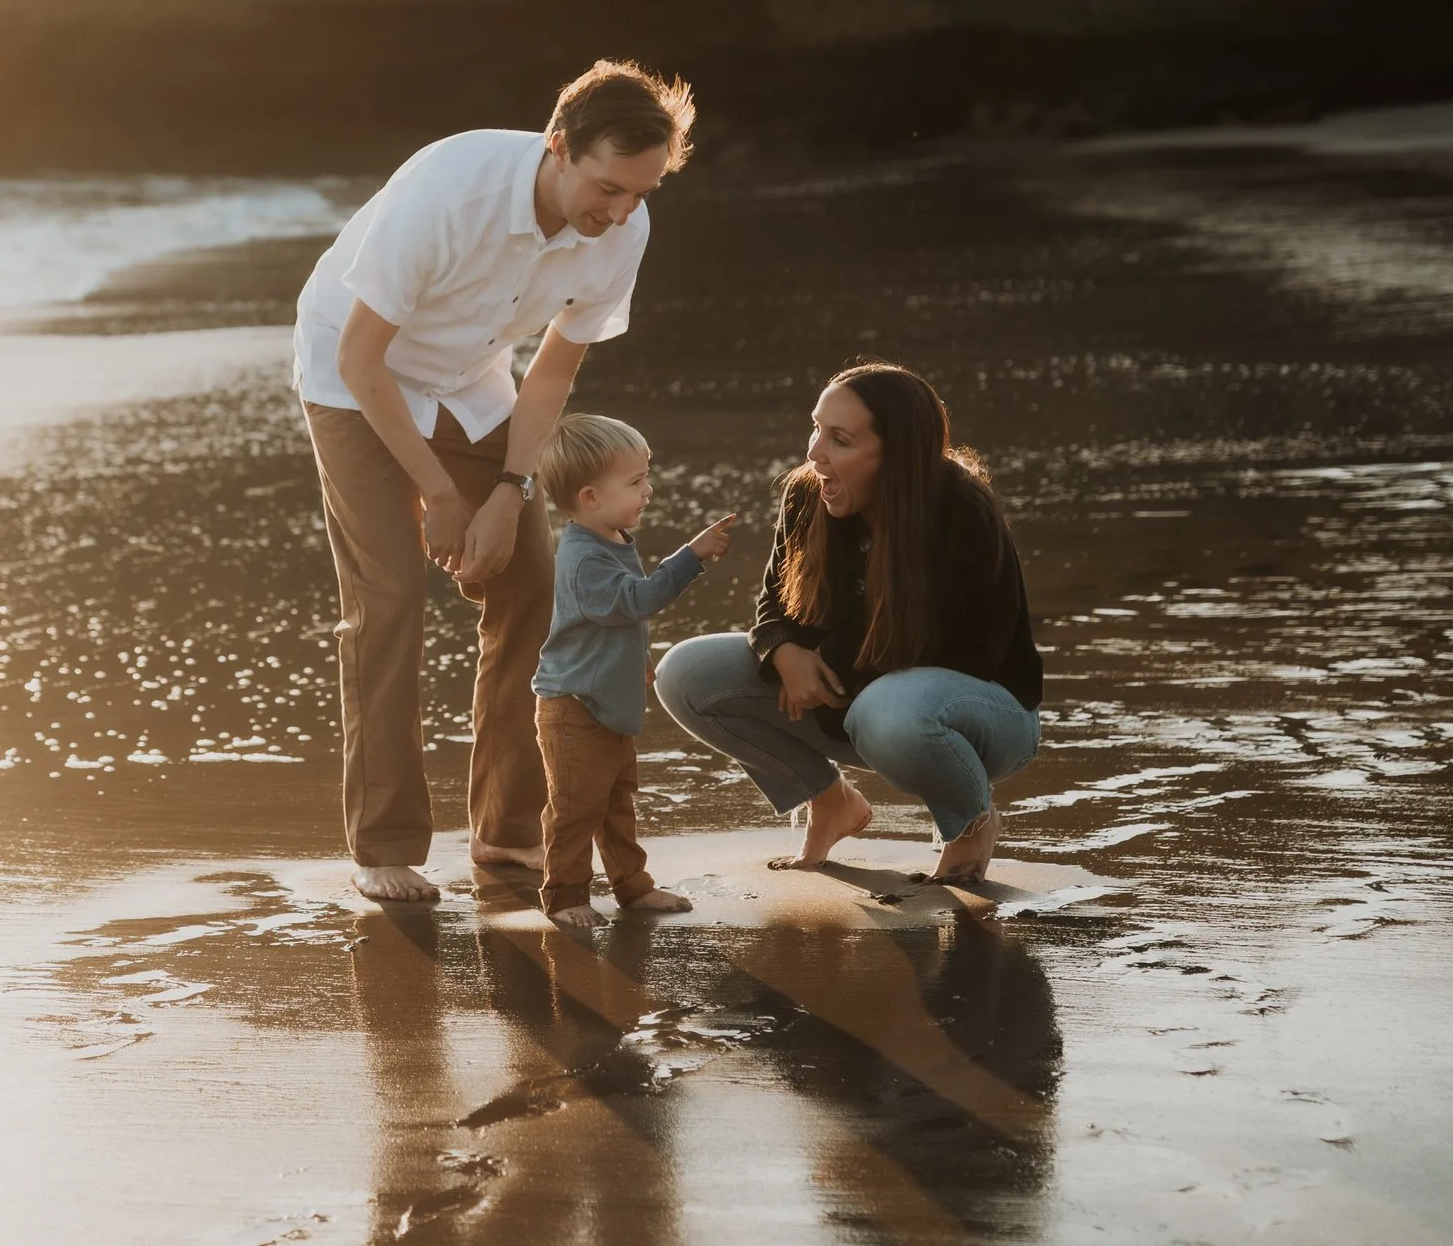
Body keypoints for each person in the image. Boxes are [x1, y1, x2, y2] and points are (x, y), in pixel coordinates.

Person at [295, 60, 696, 904]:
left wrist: (510, 489)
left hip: (476, 376)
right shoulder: (451, 187)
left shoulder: (625, 226)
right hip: (355, 370)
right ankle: (384, 843)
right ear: (559, 147)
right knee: (392, 593)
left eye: (642, 190)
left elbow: (551, 373)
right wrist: (438, 493)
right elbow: (361, 358)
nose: (620, 209)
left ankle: (509, 836)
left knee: (535, 590)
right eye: (609, 186)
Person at [654, 363, 1043, 885]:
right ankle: (828, 801)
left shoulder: (961, 512)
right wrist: (783, 652)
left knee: (889, 709)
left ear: (897, 453)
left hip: (981, 716)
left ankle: (970, 822)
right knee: (686, 672)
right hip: (856, 706)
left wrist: (828, 666)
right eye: (816, 428)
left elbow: (971, 653)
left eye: (840, 440)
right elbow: (772, 601)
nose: (815, 453)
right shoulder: (808, 494)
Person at [530, 413, 734, 924]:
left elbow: (614, 622)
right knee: (577, 809)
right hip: (574, 707)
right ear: (590, 497)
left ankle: (632, 887)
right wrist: (689, 557)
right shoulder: (584, 557)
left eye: (647, 477)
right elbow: (635, 601)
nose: (649, 490)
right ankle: (566, 896)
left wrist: (636, 658)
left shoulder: (612, 535)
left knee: (618, 801)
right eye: (636, 482)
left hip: (607, 702)